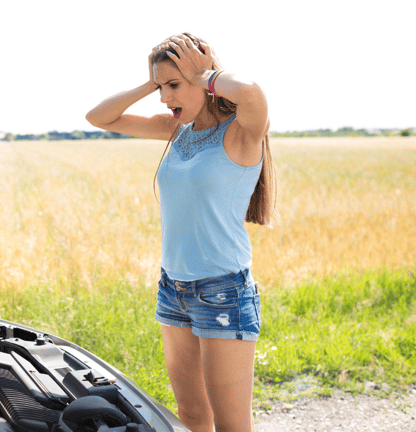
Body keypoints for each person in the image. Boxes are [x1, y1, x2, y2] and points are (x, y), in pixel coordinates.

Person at [86, 33, 275, 432]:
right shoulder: (176, 131)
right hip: (174, 289)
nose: (163, 98)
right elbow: (98, 117)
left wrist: (206, 74)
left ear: (205, 82)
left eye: (173, 86)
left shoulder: (241, 133)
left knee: (231, 425)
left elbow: (252, 93)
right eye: (160, 87)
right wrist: (150, 82)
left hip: (223, 293)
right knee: (191, 416)